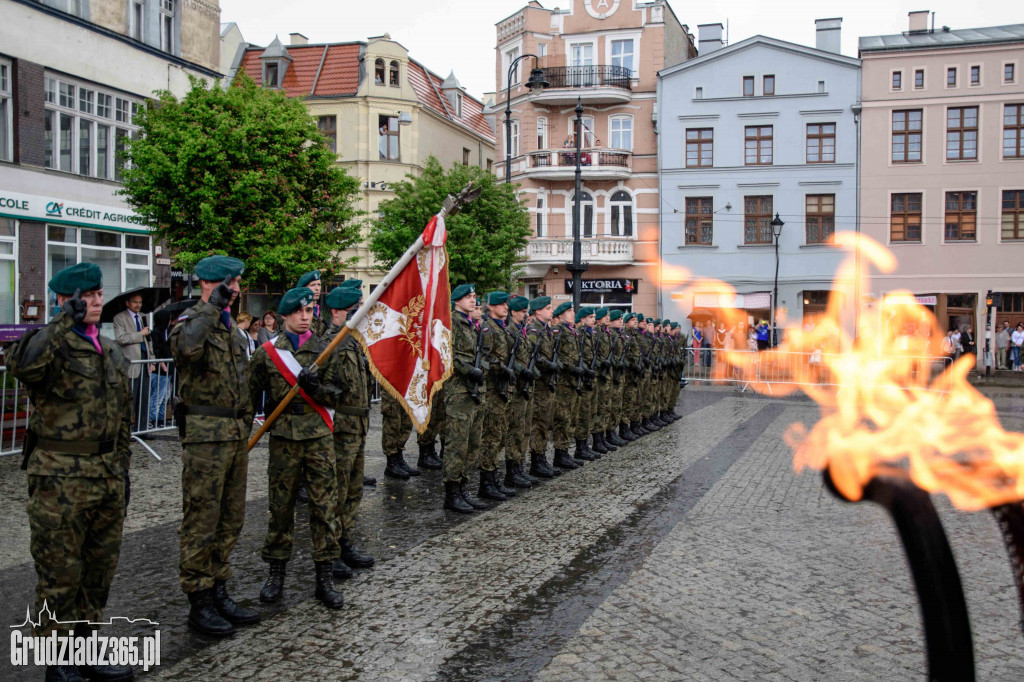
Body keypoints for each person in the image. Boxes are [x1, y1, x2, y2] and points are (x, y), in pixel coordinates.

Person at [6, 264, 135, 682]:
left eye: (99, 294)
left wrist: (123, 471)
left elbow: (122, 420)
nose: (97, 301)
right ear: (66, 299)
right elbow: (22, 365)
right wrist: (63, 318)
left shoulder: (110, 349)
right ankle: (58, 663)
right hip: (59, 481)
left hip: (106, 477)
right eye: (88, 295)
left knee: (98, 573)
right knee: (60, 574)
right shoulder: (49, 345)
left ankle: (85, 650)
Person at [170, 255, 260, 637]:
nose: (237, 290)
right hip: (206, 438)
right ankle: (199, 599)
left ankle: (219, 586)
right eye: (231, 283)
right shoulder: (191, 320)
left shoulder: (229, 330)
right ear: (211, 283)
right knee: (202, 520)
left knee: (230, 518)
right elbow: (185, 351)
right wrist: (210, 306)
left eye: (238, 283)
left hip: (235, 435)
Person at [249, 287, 346, 609]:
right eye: (299, 312)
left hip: (318, 437)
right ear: (285, 315)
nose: (306, 317)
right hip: (284, 439)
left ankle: (324, 576)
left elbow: (338, 394)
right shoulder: (266, 353)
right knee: (281, 507)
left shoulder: (324, 349)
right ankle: (276, 573)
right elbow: (249, 397)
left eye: (309, 311)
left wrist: (317, 388)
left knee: (324, 507)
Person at [321, 283, 375, 580]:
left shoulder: (353, 342)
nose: (360, 315)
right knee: (337, 491)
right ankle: (330, 550)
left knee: (353, 490)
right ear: (338, 312)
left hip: (359, 425)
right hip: (341, 427)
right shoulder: (330, 343)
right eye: (355, 310)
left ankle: (344, 541)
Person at [443, 283, 488, 513]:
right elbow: (447, 355)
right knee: (457, 445)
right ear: (457, 300)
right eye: (468, 297)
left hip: (475, 392)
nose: (473, 300)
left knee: (472, 445)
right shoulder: (452, 323)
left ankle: (463, 489)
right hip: (459, 391)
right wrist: (468, 370)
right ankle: (451, 493)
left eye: (474, 296)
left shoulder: (473, 325)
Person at [526, 296, 562, 479]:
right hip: (539, 384)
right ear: (538, 311)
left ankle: (541, 459)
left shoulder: (547, 330)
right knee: (539, 423)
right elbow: (533, 355)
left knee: (546, 422)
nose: (551, 311)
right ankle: (536, 461)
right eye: (548, 308)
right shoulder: (534, 329)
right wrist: (548, 365)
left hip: (548, 383)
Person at [113, 292, 154, 431]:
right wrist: (140, 334)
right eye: (135, 302)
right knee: (131, 399)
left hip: (145, 363)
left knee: (144, 399)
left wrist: (152, 360)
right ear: (128, 303)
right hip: (131, 365)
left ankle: (143, 429)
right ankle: (127, 430)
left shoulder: (143, 317)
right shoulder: (120, 318)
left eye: (140, 302)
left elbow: (149, 342)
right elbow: (121, 339)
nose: (138, 305)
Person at [149, 309, 173, 428]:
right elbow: (156, 350)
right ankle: (153, 418)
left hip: (168, 369)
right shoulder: (156, 333)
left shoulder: (166, 332)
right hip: (161, 370)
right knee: (158, 395)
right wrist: (162, 363)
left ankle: (161, 417)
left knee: (165, 396)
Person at [296, 270, 327, 337]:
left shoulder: (319, 313)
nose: (317, 288)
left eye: (319, 285)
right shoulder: (297, 314)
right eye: (313, 285)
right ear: (304, 289)